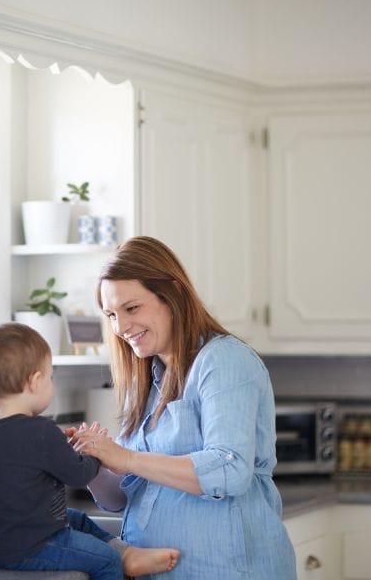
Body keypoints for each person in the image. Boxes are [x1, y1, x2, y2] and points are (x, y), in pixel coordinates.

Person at [69, 236, 297, 579]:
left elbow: (229, 468)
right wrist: (89, 463)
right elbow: (123, 496)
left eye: (132, 308)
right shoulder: (144, 381)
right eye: (112, 315)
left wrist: (126, 457)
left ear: (172, 294)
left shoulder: (224, 361)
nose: (121, 327)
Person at [0, 322, 180, 579]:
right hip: (35, 547)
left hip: (2, 547)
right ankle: (121, 557)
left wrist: (67, 449)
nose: (50, 383)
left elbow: (39, 464)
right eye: (49, 377)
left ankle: (128, 553)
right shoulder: (39, 430)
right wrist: (93, 452)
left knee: (76, 519)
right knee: (107, 561)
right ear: (35, 381)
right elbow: (78, 475)